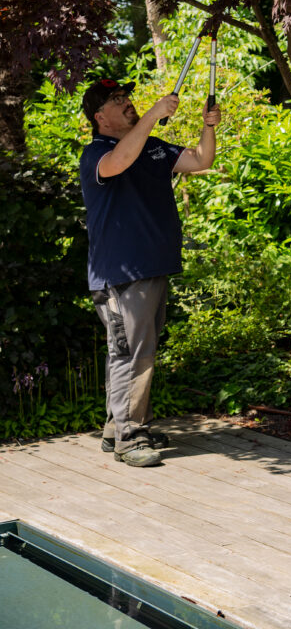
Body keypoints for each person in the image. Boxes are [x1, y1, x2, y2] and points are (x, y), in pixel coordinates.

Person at [80, 77, 221, 467]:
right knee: (131, 354)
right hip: (121, 275)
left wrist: (208, 126)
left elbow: (201, 160)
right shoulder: (96, 153)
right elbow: (120, 162)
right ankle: (130, 438)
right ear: (100, 117)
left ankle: (117, 429)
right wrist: (154, 114)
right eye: (116, 100)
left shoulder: (153, 147)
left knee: (132, 351)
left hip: (153, 267)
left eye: (126, 96)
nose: (127, 102)